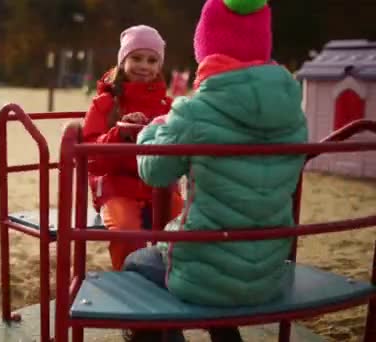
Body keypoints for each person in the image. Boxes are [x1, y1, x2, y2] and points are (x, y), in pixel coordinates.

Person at [125, 0, 309, 341]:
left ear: (207, 48)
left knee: (136, 264)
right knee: (219, 263)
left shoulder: (197, 111)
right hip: (269, 271)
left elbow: (154, 171)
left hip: (205, 272)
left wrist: (152, 131)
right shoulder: (293, 114)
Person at [82, 25, 184, 272]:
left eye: (152, 60)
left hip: (158, 186)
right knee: (127, 232)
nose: (144, 66)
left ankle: (173, 278)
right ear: (122, 61)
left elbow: (179, 150)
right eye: (136, 58)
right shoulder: (105, 103)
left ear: (160, 66)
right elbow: (91, 157)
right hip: (117, 185)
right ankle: (129, 281)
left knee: (184, 228)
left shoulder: (168, 106)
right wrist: (121, 133)